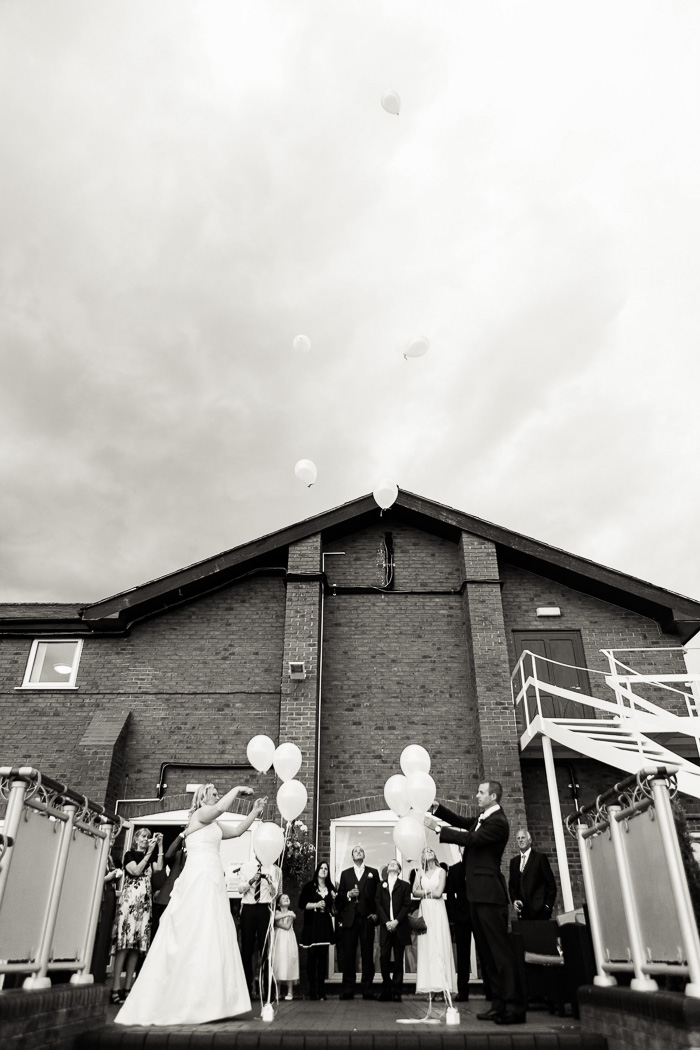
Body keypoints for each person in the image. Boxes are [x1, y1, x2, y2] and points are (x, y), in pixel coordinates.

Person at [115, 785, 266, 1025]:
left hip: (214, 876)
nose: (217, 793)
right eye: (213, 791)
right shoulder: (200, 815)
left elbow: (237, 831)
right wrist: (236, 789)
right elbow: (219, 808)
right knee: (197, 927)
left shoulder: (213, 823)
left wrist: (255, 812)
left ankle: (213, 1001)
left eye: (219, 791)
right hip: (200, 877)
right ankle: (189, 998)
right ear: (202, 797)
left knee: (213, 931)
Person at [428, 780, 526, 1025]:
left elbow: (471, 839)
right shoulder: (483, 817)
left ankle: (514, 1008)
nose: (477, 795)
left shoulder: (498, 822)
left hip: (490, 896)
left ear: (493, 795)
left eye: (481, 792)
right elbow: (463, 823)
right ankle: (498, 1004)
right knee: (487, 954)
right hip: (476, 896)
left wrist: (438, 830)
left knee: (500, 952)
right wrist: (438, 809)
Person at [111, 827, 163, 1004]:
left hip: (144, 905)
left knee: (136, 947)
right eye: (142, 836)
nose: (145, 839)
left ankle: (128, 987)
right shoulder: (129, 854)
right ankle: (116, 987)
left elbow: (160, 868)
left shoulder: (149, 857)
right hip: (130, 903)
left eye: (148, 837)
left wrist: (160, 848)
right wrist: (148, 853)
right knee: (124, 945)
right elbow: (135, 871)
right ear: (135, 839)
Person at [237, 841, 283, 1001]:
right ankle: (247, 989)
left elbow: (275, 893)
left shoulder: (273, 869)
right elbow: (239, 888)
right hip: (249, 908)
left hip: (264, 908)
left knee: (265, 950)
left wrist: (270, 881)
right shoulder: (246, 867)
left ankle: (265, 989)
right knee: (247, 950)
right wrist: (251, 881)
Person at [412, 846, 457, 1000]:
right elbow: (414, 891)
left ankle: (442, 987)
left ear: (435, 855)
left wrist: (423, 893)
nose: (429, 852)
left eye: (431, 850)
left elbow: (439, 893)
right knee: (427, 946)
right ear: (422, 857)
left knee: (439, 944)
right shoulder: (419, 872)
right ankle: (430, 987)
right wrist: (426, 893)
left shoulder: (441, 871)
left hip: (437, 911)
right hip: (425, 910)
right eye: (425, 851)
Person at [336, 845, 379, 1000]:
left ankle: (367, 989)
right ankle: (348, 989)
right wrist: (348, 894)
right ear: (352, 856)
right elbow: (340, 895)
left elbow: (377, 896)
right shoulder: (345, 874)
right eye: (355, 851)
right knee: (349, 955)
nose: (358, 852)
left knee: (367, 955)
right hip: (350, 919)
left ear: (364, 855)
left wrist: (376, 915)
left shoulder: (373, 873)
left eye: (361, 850)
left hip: (367, 918)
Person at [298, 860, 336, 1000]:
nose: (324, 870)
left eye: (326, 868)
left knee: (323, 958)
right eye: (321, 868)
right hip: (312, 924)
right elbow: (301, 904)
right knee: (312, 958)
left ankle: (321, 990)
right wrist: (316, 904)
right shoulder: (309, 887)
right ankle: (312, 990)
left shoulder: (331, 887)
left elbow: (334, 910)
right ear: (317, 870)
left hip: (324, 925)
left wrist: (334, 900)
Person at [375, 859, 412, 1002]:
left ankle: (397, 991)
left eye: (394, 863)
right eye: (389, 863)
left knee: (398, 959)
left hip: (399, 926)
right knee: (384, 957)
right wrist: (386, 922)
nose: (391, 864)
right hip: (386, 926)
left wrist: (396, 921)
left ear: (399, 869)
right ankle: (386, 989)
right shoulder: (380, 886)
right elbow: (378, 903)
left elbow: (406, 905)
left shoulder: (404, 886)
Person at [509, 829, 557, 920]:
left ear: (529, 840)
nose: (520, 840)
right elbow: (512, 885)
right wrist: (514, 900)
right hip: (522, 913)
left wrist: (547, 906)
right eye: (518, 838)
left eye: (523, 837)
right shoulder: (514, 862)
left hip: (540, 912)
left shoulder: (540, 858)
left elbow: (551, 884)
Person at [90, 852, 122, 984]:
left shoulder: (109, 857)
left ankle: (99, 972)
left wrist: (114, 875)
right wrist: (107, 877)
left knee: (105, 933)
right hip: (99, 896)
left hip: (109, 895)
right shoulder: (95, 852)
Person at [272, 894, 300, 999]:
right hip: (279, 938)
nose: (286, 899)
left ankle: (290, 991)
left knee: (289, 961)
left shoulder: (291, 913)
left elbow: (287, 926)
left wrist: (277, 923)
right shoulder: (283, 913)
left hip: (288, 939)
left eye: (287, 898)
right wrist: (286, 915)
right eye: (283, 898)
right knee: (278, 962)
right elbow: (274, 917)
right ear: (278, 903)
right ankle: (277, 991)